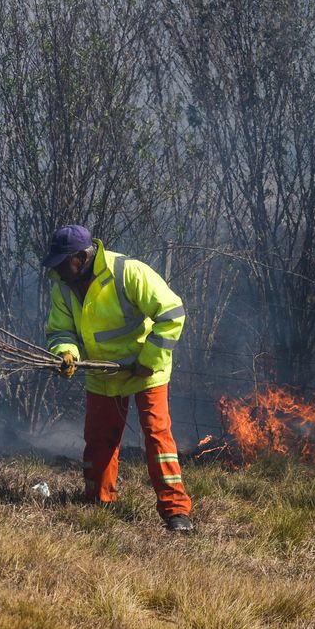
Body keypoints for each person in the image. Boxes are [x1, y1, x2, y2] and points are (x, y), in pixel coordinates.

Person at [42, 224, 193, 532]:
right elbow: (60, 330)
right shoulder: (63, 285)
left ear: (82, 257)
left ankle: (176, 512)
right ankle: (98, 504)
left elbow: (172, 313)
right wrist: (66, 353)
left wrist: (148, 360)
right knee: (99, 439)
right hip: (102, 372)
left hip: (146, 370)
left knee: (156, 437)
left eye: (62, 262)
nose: (57, 269)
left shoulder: (128, 272)